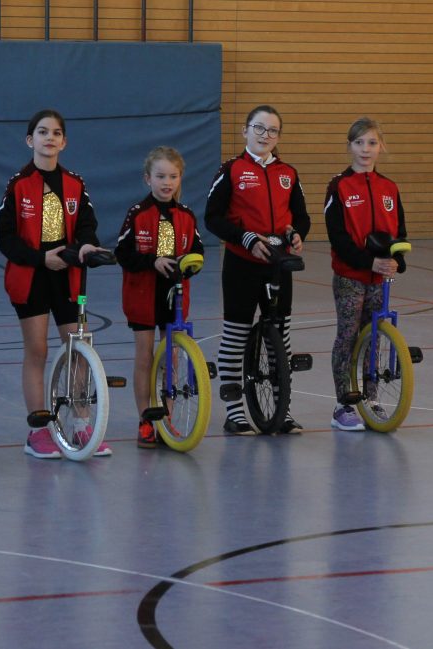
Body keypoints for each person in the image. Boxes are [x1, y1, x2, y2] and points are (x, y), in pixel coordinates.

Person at [0, 109, 112, 459]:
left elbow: (87, 225)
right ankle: (38, 429)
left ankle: (80, 425)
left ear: (64, 141)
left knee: (78, 347)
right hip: (32, 276)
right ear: (30, 140)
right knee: (38, 351)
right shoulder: (18, 185)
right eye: (42, 132)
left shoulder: (76, 184)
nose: (50, 138)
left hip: (68, 276)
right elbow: (6, 238)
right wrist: (39, 258)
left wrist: (86, 244)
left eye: (56, 133)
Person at [204, 104, 311, 435]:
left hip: (278, 265)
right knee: (236, 337)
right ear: (245, 131)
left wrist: (296, 234)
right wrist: (245, 237)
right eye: (259, 128)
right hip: (242, 264)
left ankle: (284, 411)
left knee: (283, 337)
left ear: (279, 136)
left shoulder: (288, 173)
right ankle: (235, 411)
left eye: (272, 130)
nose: (265, 135)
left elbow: (301, 216)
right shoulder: (231, 170)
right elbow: (213, 218)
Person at [116, 146, 204, 449]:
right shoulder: (138, 214)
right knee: (145, 356)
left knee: (171, 359)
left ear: (180, 179)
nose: (167, 182)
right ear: (147, 179)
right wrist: (152, 261)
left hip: (175, 298)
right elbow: (122, 253)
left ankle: (165, 417)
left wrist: (188, 266)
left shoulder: (187, 216)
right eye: (161, 176)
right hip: (143, 296)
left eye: (173, 176)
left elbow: (198, 251)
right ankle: (145, 418)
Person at [324, 117, 407, 430]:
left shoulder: (389, 187)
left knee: (373, 338)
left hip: (380, 280)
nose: (365, 149)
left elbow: (400, 231)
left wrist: (398, 260)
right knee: (347, 336)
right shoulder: (339, 186)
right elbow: (338, 237)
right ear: (349, 146)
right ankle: (343, 405)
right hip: (350, 277)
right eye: (359, 143)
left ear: (381, 147)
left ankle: (371, 399)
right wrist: (366, 262)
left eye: (372, 143)